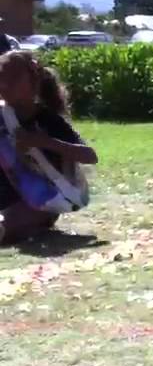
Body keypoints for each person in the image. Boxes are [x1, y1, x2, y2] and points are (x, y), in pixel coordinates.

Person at [0, 51, 96, 243]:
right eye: (1, 78)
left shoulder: (48, 120)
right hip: (6, 196)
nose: (4, 84)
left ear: (34, 82)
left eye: (13, 78)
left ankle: (30, 225)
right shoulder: (2, 117)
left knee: (5, 225)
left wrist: (43, 141)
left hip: (39, 203)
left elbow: (89, 156)